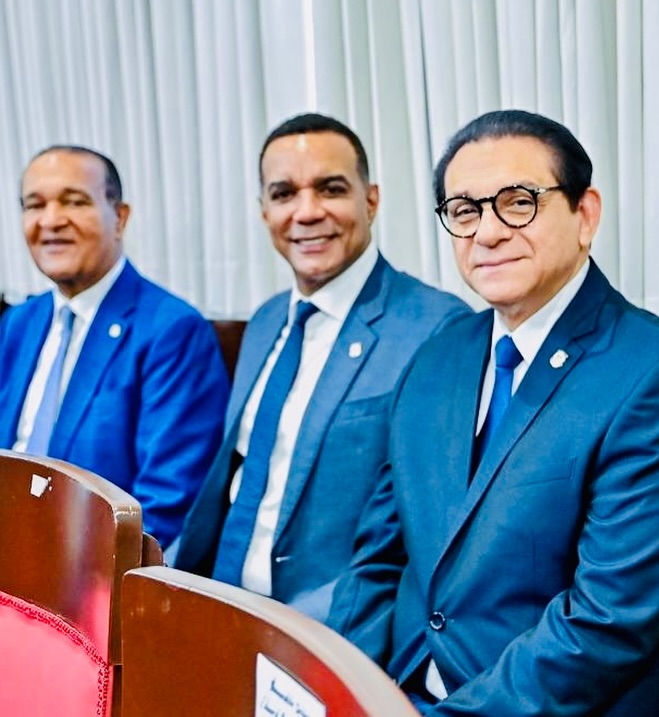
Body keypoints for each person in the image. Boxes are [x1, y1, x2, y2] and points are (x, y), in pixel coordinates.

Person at [327, 109, 659, 716]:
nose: (488, 232)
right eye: (465, 210)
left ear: (585, 215)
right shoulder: (436, 359)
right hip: (400, 693)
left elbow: (605, 624)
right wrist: (340, 695)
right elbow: (377, 560)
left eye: (518, 203)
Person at [172, 113, 469, 621]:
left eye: (331, 189)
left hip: (328, 630)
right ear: (264, 212)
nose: (307, 212)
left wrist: (293, 635)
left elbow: (418, 536)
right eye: (284, 194)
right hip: (216, 606)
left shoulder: (437, 328)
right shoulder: (266, 321)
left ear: (370, 201)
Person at [0, 145, 228, 548]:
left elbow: (164, 506)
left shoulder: (172, 330)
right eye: (35, 205)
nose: (51, 220)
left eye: (75, 201)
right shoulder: (20, 322)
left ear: (119, 218)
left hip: (90, 568)